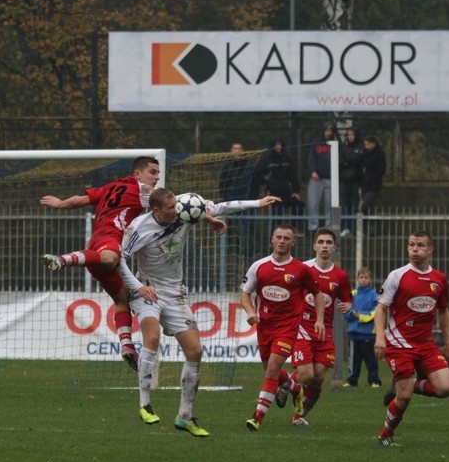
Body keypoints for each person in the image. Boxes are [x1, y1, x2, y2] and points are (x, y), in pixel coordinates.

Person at [120, 188, 278, 437]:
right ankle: (144, 403)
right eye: (171, 208)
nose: (177, 210)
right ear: (157, 210)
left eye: (177, 205)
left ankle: (185, 416)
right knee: (152, 338)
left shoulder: (185, 208)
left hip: (175, 293)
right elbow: (120, 259)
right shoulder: (139, 227)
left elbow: (224, 206)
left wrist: (258, 202)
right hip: (147, 290)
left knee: (195, 351)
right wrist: (139, 287)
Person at [40, 156, 161, 370]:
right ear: (137, 174)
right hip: (109, 240)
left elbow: (79, 200)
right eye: (152, 172)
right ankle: (62, 259)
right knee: (111, 258)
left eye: (157, 173)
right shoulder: (142, 191)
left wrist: (59, 204)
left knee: (122, 297)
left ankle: (127, 346)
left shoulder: (111, 186)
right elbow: (171, 205)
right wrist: (205, 214)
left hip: (95, 243)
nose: (156, 177)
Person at [374, 230, 449, 446]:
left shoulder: (439, 279)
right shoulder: (398, 276)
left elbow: (443, 311)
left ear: (430, 249)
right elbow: (381, 308)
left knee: (445, 388)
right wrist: (380, 337)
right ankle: (385, 435)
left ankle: (411, 383)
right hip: (399, 344)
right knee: (404, 398)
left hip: (425, 344)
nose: (414, 250)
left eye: (419, 245)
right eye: (411, 245)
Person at [241, 225, 325, 431]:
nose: (282, 241)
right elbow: (245, 293)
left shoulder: (301, 269)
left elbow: (318, 294)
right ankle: (295, 390)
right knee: (271, 371)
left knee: (272, 368)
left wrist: (320, 319)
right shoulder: (259, 266)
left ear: (293, 243)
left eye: (287, 238)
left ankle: (257, 417)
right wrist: (251, 313)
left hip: (288, 327)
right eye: (278, 237)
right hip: (264, 327)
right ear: (272, 239)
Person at [281, 228, 352, 427]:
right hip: (303, 327)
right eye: (320, 242)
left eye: (329, 243)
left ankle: (299, 415)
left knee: (319, 377)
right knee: (306, 375)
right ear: (314, 246)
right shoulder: (303, 269)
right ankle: (285, 383)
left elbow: (347, 300)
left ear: (334, 247)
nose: (324, 246)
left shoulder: (340, 276)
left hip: (326, 331)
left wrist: (348, 305)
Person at [251, 138, 305, 235]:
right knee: (277, 216)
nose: (278, 147)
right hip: (273, 193)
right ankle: (273, 236)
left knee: (299, 205)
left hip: (286, 191)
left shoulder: (287, 159)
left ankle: (295, 227)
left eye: (279, 144)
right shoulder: (267, 160)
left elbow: (293, 175)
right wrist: (267, 181)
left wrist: (296, 191)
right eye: (276, 145)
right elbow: (257, 174)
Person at [342, 266, 381, 388]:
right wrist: (351, 315)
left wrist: (360, 316)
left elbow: (376, 313)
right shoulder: (352, 294)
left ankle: (374, 380)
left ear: (370, 280)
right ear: (358, 279)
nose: (363, 280)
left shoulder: (374, 295)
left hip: (368, 333)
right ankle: (351, 380)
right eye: (361, 277)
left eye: (366, 278)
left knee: (371, 359)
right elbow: (345, 309)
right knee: (354, 359)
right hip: (354, 332)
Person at [306, 121, 335, 233]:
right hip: (316, 178)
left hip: (331, 178)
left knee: (330, 205)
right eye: (327, 130)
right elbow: (311, 157)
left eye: (331, 131)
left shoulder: (335, 143)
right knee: (313, 204)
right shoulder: (316, 143)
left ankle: (329, 227)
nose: (329, 133)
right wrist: (312, 170)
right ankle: (313, 227)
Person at [338, 127, 364, 237]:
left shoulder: (360, 147)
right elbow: (341, 161)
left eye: (352, 135)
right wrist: (350, 162)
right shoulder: (344, 148)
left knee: (357, 205)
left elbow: (358, 160)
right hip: (345, 180)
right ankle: (348, 227)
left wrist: (349, 161)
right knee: (347, 204)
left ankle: (359, 228)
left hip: (357, 180)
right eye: (348, 135)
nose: (350, 137)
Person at [360, 134, 387, 235]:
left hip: (374, 184)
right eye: (365, 144)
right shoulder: (364, 154)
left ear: (374, 144)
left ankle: (371, 227)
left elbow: (382, 169)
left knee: (366, 205)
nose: (367, 146)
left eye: (369, 144)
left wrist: (373, 176)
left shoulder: (379, 154)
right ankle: (368, 228)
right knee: (368, 207)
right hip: (365, 184)